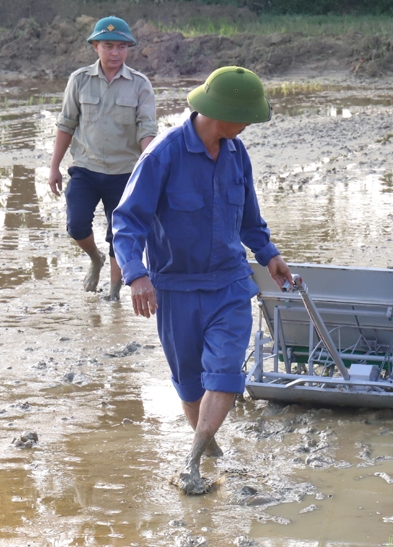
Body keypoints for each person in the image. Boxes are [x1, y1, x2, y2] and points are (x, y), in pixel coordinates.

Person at [111, 66, 292, 495]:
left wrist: (269, 255)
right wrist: (136, 276)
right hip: (175, 289)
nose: (249, 125)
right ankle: (209, 448)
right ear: (221, 112)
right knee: (190, 383)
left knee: (225, 371)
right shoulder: (163, 155)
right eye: (245, 116)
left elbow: (249, 219)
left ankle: (191, 461)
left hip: (230, 284)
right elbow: (127, 221)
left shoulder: (236, 153)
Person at [49, 16, 157, 300]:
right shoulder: (80, 80)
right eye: (108, 46)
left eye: (122, 47)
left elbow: (147, 130)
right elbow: (66, 125)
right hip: (86, 168)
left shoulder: (139, 85)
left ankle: (113, 293)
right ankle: (95, 258)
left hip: (125, 172)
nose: (115, 53)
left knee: (118, 235)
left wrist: (150, 170)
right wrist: (54, 167)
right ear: (95, 46)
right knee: (76, 225)